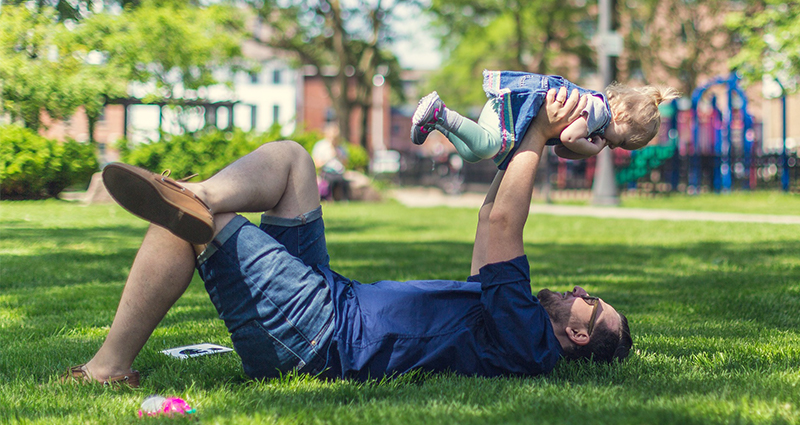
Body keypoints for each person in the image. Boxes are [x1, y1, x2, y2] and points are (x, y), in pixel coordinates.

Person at [61, 87, 631, 387]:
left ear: (580, 334)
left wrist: (538, 130)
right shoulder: (508, 319)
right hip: (330, 299)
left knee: (196, 229)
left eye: (590, 300)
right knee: (292, 162)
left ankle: (109, 367)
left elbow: (508, 223)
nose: (579, 290)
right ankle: (199, 195)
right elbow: (491, 219)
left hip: (318, 337)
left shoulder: (527, 343)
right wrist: (540, 140)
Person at [411, 70, 679, 168]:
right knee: (486, 146)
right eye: (618, 140)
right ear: (620, 115)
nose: (610, 145)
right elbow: (568, 137)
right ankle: (440, 111)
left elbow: (563, 149)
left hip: (508, 111)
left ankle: (436, 123)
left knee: (471, 154)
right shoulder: (598, 110)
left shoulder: (593, 123)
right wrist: (593, 148)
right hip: (514, 108)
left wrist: (585, 151)